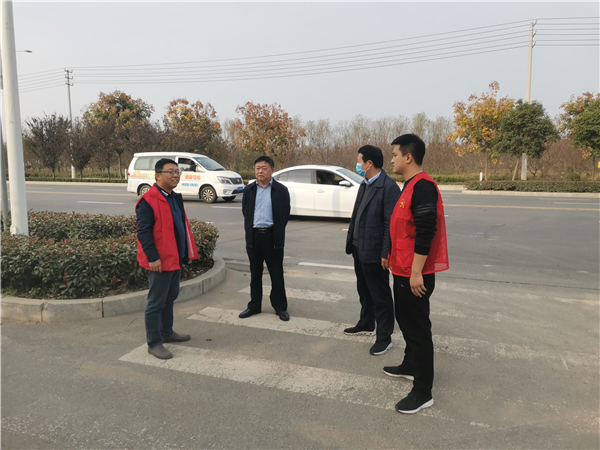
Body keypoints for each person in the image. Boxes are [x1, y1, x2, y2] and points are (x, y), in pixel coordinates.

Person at [385, 134, 449, 414]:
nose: (392, 160)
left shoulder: (422, 187)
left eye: (395, 154)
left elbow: (425, 231)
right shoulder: (409, 185)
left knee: (418, 330)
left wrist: (415, 273)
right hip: (402, 269)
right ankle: (410, 365)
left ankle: (423, 392)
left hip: (414, 274)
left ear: (408, 157)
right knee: (406, 321)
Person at [135, 158, 199, 360]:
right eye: (170, 172)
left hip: (174, 258)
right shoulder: (148, 201)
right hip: (159, 262)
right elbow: (143, 232)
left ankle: (166, 332)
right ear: (157, 175)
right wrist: (153, 258)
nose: (175, 175)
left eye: (177, 172)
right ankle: (154, 343)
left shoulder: (174, 198)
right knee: (156, 302)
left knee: (170, 298)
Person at [345, 145, 401, 355]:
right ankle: (366, 323)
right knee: (364, 290)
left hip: (376, 251)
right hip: (359, 248)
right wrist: (352, 243)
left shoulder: (388, 187)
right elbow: (356, 215)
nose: (358, 165)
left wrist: (385, 252)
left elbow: (390, 224)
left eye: (360, 161)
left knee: (380, 295)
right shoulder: (365, 184)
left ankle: (384, 337)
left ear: (369, 163)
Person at [239, 156, 291, 321]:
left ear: (272, 170)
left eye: (264, 168)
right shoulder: (249, 190)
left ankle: (280, 307)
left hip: (272, 236)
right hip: (254, 236)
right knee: (255, 273)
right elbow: (246, 212)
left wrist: (276, 232)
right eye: (257, 168)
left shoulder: (281, 190)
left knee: (276, 274)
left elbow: (284, 214)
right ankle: (254, 305)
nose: (260, 171)